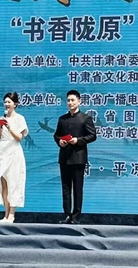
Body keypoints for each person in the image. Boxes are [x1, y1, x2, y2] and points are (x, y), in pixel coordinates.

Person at [54, 89, 97, 224]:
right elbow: (56, 135)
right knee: (65, 188)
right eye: (68, 100)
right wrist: (59, 141)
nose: (70, 103)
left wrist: (78, 140)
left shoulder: (85, 118)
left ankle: (76, 216)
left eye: (73, 100)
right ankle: (67, 214)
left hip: (78, 158)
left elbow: (92, 135)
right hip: (64, 158)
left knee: (78, 188)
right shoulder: (62, 119)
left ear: (79, 101)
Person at [0, 92, 29, 223]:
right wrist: (0, 127)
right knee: (4, 183)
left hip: (14, 151)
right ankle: (6, 214)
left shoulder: (20, 118)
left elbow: (19, 138)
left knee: (14, 182)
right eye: (5, 102)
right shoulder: (0, 118)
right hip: (2, 152)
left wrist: (9, 126)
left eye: (9, 102)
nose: (7, 104)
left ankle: (12, 214)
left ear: (15, 104)